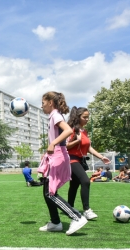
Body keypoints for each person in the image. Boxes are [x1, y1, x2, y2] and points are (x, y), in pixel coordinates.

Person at [38, 91, 88, 236]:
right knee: (47, 192)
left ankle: (77, 217)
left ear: (50, 102)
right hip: (56, 155)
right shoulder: (53, 116)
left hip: (58, 156)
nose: (42, 106)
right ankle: (55, 222)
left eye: (43, 103)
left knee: (50, 193)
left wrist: (53, 143)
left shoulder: (55, 115)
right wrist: (48, 150)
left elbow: (67, 130)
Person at [66, 106, 111, 220]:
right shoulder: (70, 130)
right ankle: (87, 210)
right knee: (85, 181)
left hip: (80, 160)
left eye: (88, 117)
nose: (87, 119)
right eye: (84, 117)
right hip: (71, 159)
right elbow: (65, 146)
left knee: (74, 185)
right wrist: (77, 140)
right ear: (78, 117)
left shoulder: (84, 131)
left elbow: (89, 148)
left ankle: (69, 208)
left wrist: (102, 157)